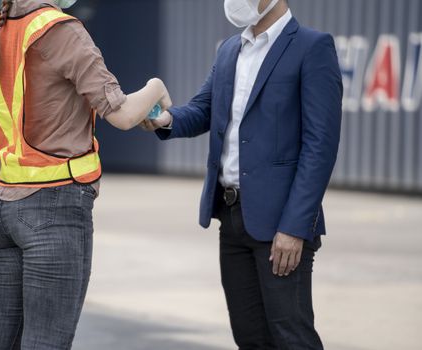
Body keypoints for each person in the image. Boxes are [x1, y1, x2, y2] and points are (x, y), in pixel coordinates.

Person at [0, 0, 171, 349]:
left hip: (1, 209)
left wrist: (7, 194)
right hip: (55, 208)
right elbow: (121, 114)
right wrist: (156, 88)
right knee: (46, 342)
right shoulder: (61, 31)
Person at [142, 0, 343, 348]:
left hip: (281, 224)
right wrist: (167, 120)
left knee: (291, 336)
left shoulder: (312, 47)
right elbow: (203, 109)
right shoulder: (230, 50)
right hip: (232, 217)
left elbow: (320, 146)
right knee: (249, 337)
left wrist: (294, 227)